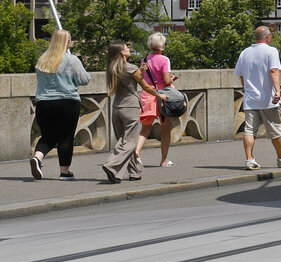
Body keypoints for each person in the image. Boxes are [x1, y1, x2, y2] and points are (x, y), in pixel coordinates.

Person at [234, 26, 281, 170]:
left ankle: (249, 159)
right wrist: (277, 91)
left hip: (250, 99)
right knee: (275, 129)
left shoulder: (245, 53)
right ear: (268, 37)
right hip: (267, 99)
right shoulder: (271, 51)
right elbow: (274, 71)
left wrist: (248, 90)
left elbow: (241, 75)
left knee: (249, 131)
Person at [30, 29, 90, 181]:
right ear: (67, 42)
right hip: (67, 102)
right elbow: (84, 79)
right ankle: (64, 172)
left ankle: (37, 157)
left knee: (48, 136)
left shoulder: (42, 60)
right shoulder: (71, 60)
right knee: (66, 137)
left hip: (43, 103)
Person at [101, 41, 164, 184]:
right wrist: (160, 95)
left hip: (117, 107)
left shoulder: (112, 68)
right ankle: (111, 165)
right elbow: (145, 86)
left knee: (124, 141)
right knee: (130, 141)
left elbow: (128, 79)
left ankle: (134, 172)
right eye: (126, 48)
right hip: (130, 107)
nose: (129, 49)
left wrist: (140, 71)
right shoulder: (131, 67)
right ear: (122, 52)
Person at [136, 32, 179, 167]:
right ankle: (163, 160)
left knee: (145, 128)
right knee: (166, 129)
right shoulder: (164, 59)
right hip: (163, 96)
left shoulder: (144, 60)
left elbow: (141, 77)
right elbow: (166, 80)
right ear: (162, 45)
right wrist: (172, 78)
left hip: (148, 94)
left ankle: (136, 151)